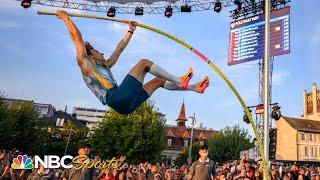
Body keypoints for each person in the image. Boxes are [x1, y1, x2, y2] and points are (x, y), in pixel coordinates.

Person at [55, 10, 209, 115]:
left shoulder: (106, 65)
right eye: (96, 50)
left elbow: (120, 48)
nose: (101, 51)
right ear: (91, 56)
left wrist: (130, 30)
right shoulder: (87, 66)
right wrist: (65, 18)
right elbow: (77, 40)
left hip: (125, 107)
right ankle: (178, 79)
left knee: (159, 81)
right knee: (144, 63)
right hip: (116, 97)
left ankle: (194, 87)